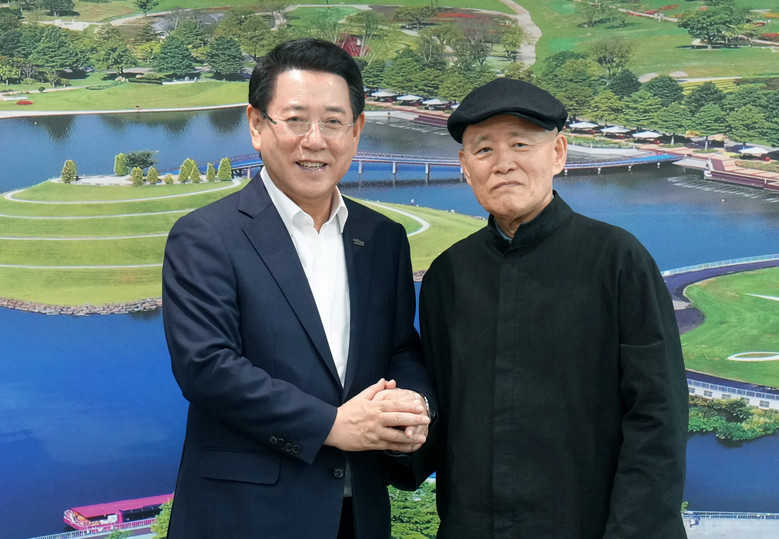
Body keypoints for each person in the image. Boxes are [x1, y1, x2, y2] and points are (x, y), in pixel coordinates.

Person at [162, 38, 434, 539]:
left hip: (359, 513)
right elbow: (207, 367)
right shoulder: (205, 236)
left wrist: (415, 407)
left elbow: (399, 348)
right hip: (245, 517)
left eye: (333, 121)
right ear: (256, 124)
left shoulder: (383, 237)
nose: (315, 140)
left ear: (357, 131)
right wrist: (331, 425)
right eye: (295, 120)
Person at [417, 78, 688, 538]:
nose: (503, 163)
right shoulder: (448, 274)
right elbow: (442, 418)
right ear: (465, 166)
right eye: (484, 150)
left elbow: (658, 417)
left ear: (558, 153)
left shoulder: (617, 259)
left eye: (520, 144)